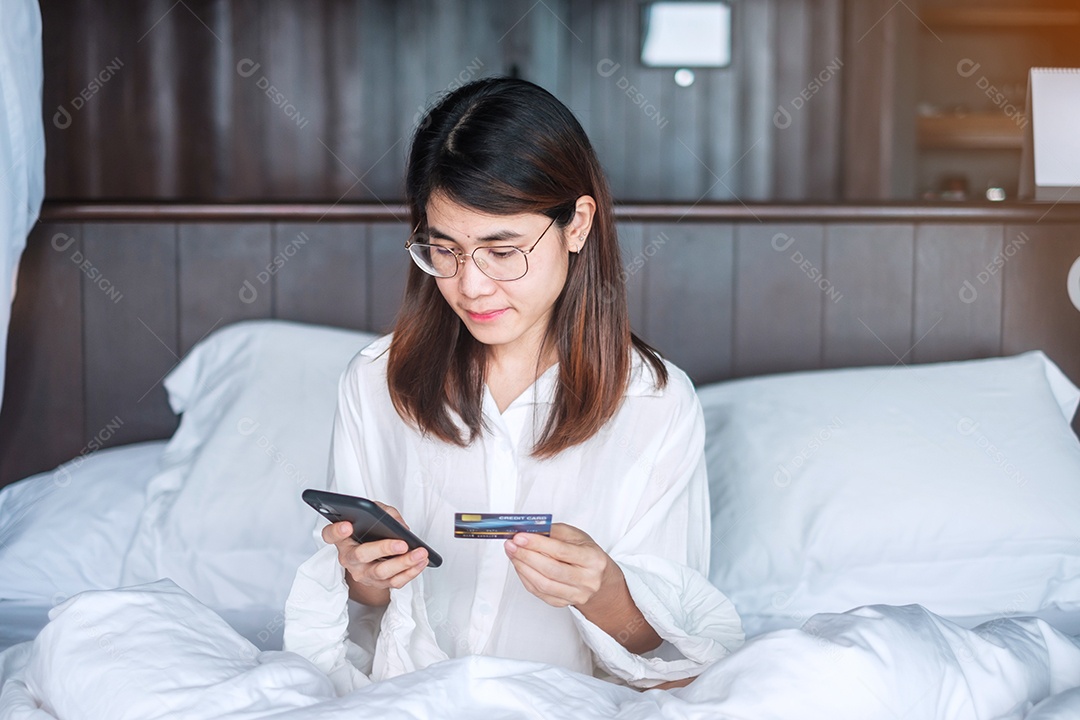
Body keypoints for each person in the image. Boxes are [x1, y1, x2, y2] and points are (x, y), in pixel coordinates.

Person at [283, 77, 743, 692]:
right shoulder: (375, 380)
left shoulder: (654, 402)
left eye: (503, 252)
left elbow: (669, 656)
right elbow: (363, 617)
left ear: (576, 225)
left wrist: (603, 589)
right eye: (443, 249)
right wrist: (366, 571)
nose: (469, 286)